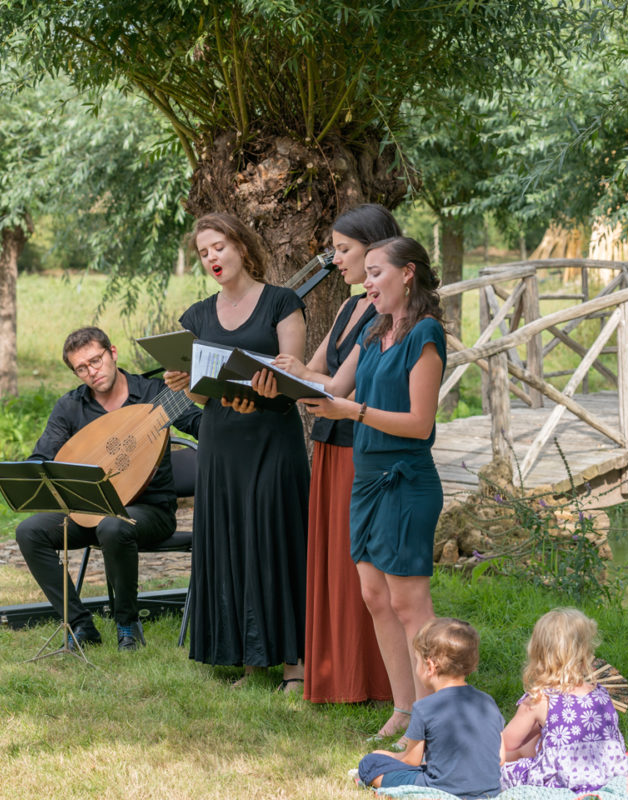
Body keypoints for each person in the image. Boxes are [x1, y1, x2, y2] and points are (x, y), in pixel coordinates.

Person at [273, 235, 445, 736]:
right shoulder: (374, 330)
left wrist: (352, 413)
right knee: (374, 596)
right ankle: (404, 709)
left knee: (410, 603)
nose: (366, 283)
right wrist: (280, 378)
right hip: (367, 482)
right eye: (364, 274)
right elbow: (330, 386)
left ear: (407, 273)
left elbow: (419, 423)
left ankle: (437, 715)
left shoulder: (426, 334)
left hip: (406, 479)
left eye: (375, 273)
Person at [164, 212, 309, 691]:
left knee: (276, 540)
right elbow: (202, 397)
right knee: (232, 545)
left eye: (218, 247)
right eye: (203, 253)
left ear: (242, 248)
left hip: (273, 438)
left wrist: (274, 385)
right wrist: (187, 384)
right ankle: (250, 662)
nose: (211, 258)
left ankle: (295, 666)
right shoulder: (197, 317)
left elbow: (296, 375)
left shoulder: (282, 303)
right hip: (221, 442)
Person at [15, 327, 201, 651]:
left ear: (113, 353)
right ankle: (80, 625)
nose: (92, 372)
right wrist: (23, 475)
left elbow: (200, 424)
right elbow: (42, 458)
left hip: (150, 511)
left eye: (96, 360)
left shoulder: (154, 394)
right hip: (89, 511)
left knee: (113, 524)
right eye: (81, 368)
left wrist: (206, 394)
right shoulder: (70, 407)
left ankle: (127, 625)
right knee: (30, 531)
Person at [293, 204, 401, 705]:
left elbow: (336, 383)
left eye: (344, 250)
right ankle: (337, 675)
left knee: (360, 564)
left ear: (375, 249)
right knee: (333, 557)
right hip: (328, 441)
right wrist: (283, 370)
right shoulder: (345, 308)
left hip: (360, 443)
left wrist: (302, 376)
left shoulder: (383, 312)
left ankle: (370, 679)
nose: (335, 260)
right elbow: (310, 369)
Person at [354, 617, 503, 799]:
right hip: (488, 791)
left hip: (438, 789)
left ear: (430, 666)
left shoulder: (425, 707)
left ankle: (394, 788)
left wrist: (388, 755)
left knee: (370, 763)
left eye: (417, 661)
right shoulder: (487, 702)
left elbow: (411, 760)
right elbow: (500, 757)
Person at [500, 608, 628, 793]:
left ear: (537, 651)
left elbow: (504, 745)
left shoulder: (540, 699)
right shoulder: (602, 694)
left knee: (500, 769)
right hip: (602, 778)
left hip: (558, 785)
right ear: (586, 651)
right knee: (539, 741)